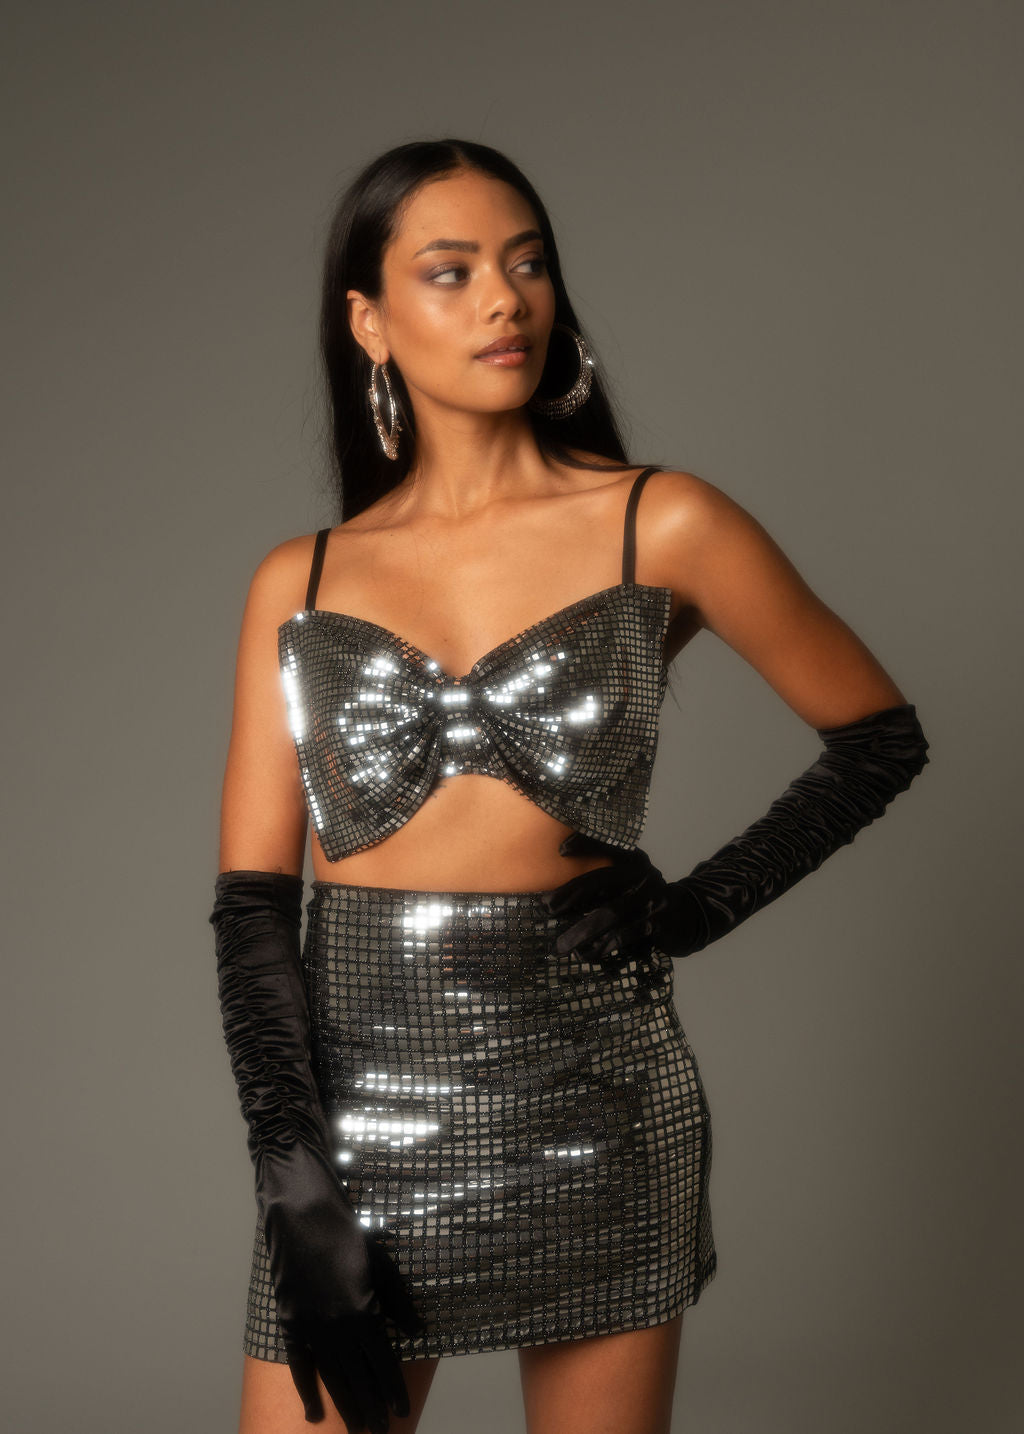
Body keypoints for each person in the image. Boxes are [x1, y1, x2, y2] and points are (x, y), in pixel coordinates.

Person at [208, 138, 930, 1434]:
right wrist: (293, 1174)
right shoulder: (298, 579)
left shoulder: (664, 522)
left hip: (599, 1105)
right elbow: (255, 908)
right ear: (369, 321)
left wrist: (694, 905)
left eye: (528, 262)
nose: (505, 298)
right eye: (452, 271)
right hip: (355, 1127)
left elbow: (879, 737)